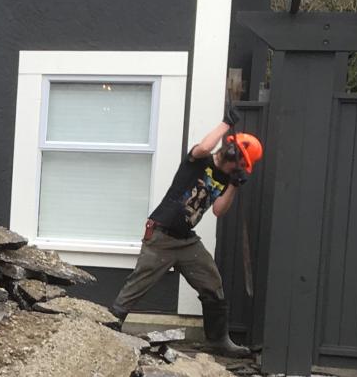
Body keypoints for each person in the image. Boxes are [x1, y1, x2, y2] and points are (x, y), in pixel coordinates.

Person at [111, 111, 264, 358]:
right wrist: (225, 123)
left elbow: (218, 211)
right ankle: (110, 326)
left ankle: (218, 341)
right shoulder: (199, 161)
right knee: (139, 284)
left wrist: (234, 186)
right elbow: (204, 146)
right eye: (242, 162)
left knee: (212, 284)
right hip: (161, 235)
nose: (241, 166)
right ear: (235, 154)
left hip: (186, 240)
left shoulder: (226, 178)